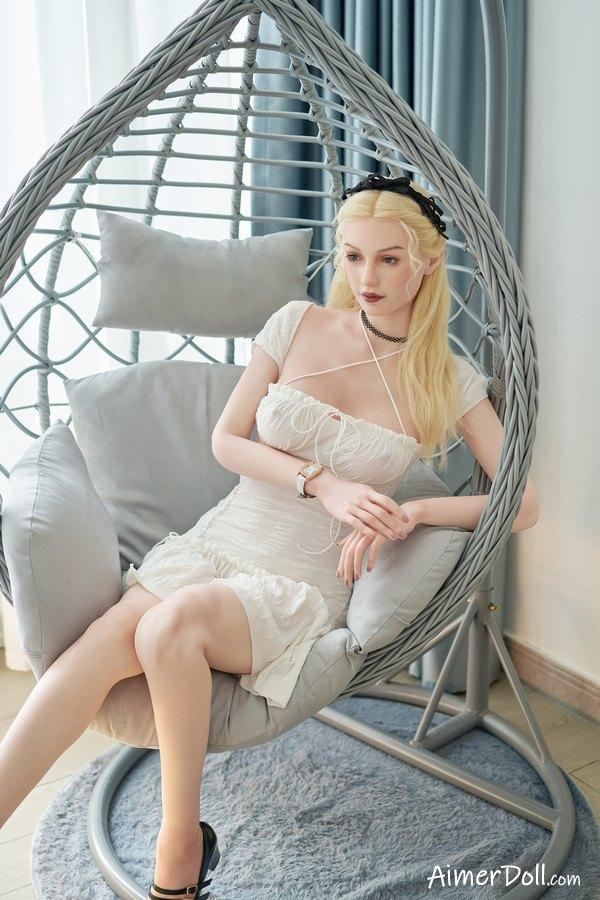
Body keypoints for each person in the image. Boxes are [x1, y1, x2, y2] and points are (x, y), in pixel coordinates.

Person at [0, 174, 540, 899]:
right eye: (353, 256)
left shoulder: (447, 377)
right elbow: (227, 441)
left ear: (428, 264)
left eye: (388, 259)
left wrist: (416, 513)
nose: (367, 277)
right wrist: (325, 482)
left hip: (300, 580)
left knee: (170, 627)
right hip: (220, 537)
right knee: (96, 647)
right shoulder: (297, 323)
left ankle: (177, 846)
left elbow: (522, 504)